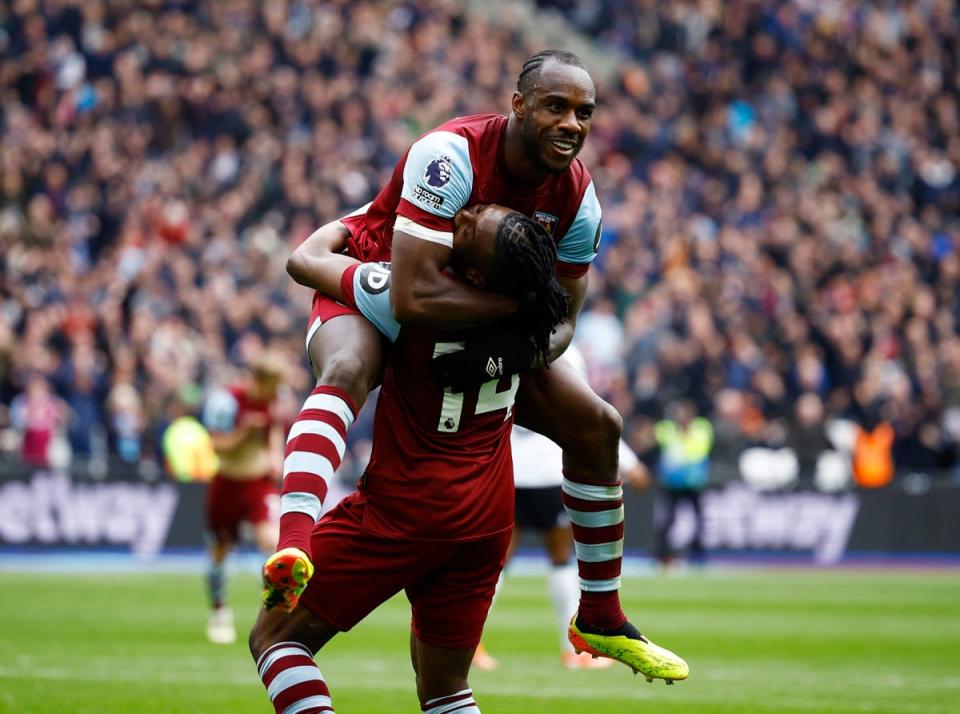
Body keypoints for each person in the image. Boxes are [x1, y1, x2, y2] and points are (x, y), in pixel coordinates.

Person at [267, 49, 688, 683]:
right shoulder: (450, 156)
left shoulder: (581, 200)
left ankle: (600, 613)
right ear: (517, 104)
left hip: (476, 317)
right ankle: (294, 540)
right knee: (350, 368)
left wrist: (514, 347)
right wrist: (518, 311)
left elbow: (563, 323)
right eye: (556, 106)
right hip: (381, 284)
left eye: (585, 113)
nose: (573, 123)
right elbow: (408, 296)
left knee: (598, 424)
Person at [250, 205, 572, 713]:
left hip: (408, 505)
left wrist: (364, 216)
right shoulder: (531, 321)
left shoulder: (411, 302)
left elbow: (309, 259)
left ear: (472, 273)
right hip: (486, 515)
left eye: (471, 229)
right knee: (446, 689)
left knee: (275, 638)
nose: (465, 216)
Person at [473, 345, 649, 671]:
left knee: (497, 561)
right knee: (560, 557)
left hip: (506, 466)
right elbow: (586, 414)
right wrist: (630, 461)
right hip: (546, 468)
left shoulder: (498, 338)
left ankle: (468, 643)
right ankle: (575, 651)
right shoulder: (565, 349)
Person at [202, 352, 287, 644]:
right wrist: (242, 433)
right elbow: (216, 445)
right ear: (259, 381)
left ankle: (275, 615)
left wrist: (276, 456)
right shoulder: (227, 401)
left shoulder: (273, 399)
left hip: (259, 483)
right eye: (273, 385)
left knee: (272, 543)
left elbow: (274, 430)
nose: (276, 391)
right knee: (219, 550)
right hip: (227, 483)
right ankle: (219, 612)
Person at [653, 400, 714, 566]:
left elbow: (701, 452)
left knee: (699, 518)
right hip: (672, 483)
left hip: (694, 483)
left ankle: (698, 551)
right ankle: (662, 553)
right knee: (668, 518)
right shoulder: (667, 429)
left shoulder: (702, 428)